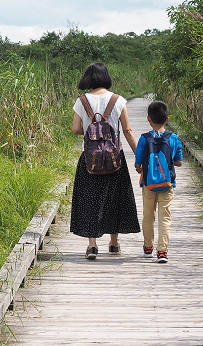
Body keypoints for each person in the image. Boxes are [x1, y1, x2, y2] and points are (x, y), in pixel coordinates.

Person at [70, 62, 141, 259]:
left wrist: (90, 129)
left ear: (88, 79)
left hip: (89, 160)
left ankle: (92, 246)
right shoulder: (118, 100)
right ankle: (114, 243)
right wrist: (139, 156)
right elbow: (127, 130)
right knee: (114, 200)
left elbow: (76, 129)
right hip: (114, 159)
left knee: (90, 201)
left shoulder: (82, 101)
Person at [134, 100, 183, 263]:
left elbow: (138, 163)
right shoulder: (173, 138)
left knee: (148, 216)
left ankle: (148, 247)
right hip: (167, 184)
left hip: (148, 184)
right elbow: (178, 162)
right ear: (167, 119)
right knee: (165, 218)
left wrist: (140, 168)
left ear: (148, 119)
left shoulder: (144, 139)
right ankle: (162, 252)